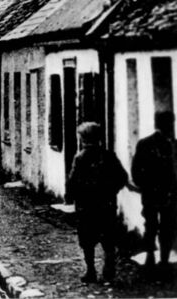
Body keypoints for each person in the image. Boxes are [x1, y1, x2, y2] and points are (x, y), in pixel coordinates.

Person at [65, 122, 128, 284]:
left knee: (87, 239)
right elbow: (122, 177)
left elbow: (72, 182)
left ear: (83, 138)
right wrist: (111, 190)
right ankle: (109, 267)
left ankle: (91, 271)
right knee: (108, 237)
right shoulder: (108, 155)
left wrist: (71, 197)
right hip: (106, 204)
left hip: (86, 206)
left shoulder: (80, 158)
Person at [132, 110, 177, 278]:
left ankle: (156, 258)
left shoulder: (148, 143)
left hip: (160, 194)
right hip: (160, 193)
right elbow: (136, 171)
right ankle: (156, 258)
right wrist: (145, 186)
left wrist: (143, 186)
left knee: (156, 226)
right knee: (160, 226)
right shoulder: (150, 144)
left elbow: (136, 171)